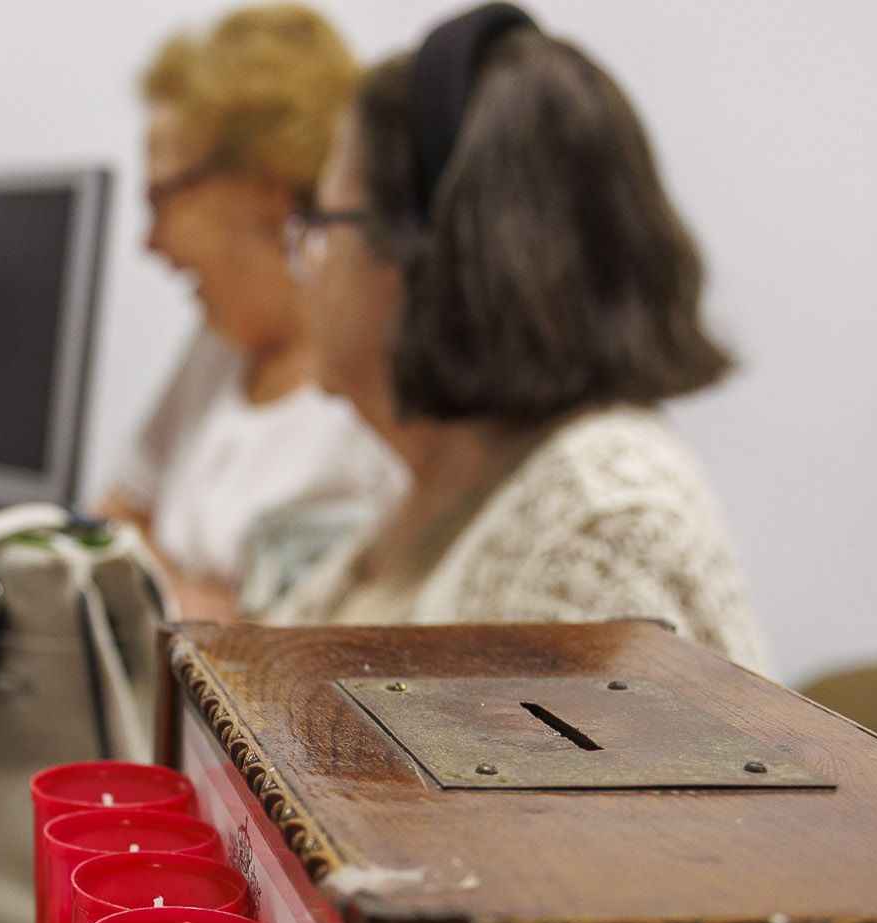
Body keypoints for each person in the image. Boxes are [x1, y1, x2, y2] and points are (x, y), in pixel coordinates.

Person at [266, 3, 769, 672]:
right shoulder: (449, 482)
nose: (307, 266)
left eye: (324, 225)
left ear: (420, 256)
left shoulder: (603, 527)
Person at [100, 5, 401, 620]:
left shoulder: (374, 382)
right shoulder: (219, 344)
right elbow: (113, 518)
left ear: (262, 180)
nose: (149, 244)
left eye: (162, 199)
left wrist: (171, 594)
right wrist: (193, 602)